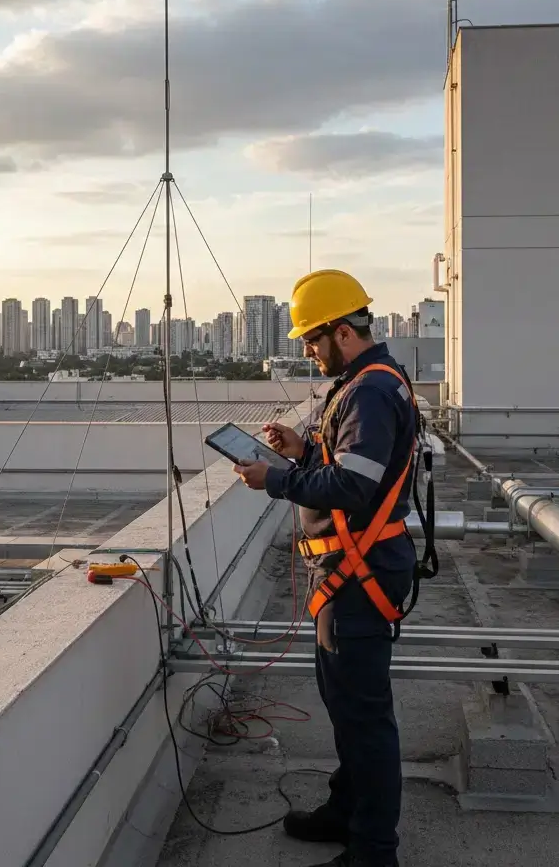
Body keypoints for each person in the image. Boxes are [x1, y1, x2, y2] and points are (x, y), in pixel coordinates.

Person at [233, 268, 419, 867]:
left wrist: (278, 479)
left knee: (364, 716)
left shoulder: (367, 389)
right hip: (348, 575)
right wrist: (302, 448)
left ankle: (373, 851)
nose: (308, 352)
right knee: (346, 706)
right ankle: (348, 811)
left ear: (343, 332)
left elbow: (355, 486)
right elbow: (349, 459)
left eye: (312, 340)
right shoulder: (366, 382)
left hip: (358, 578)